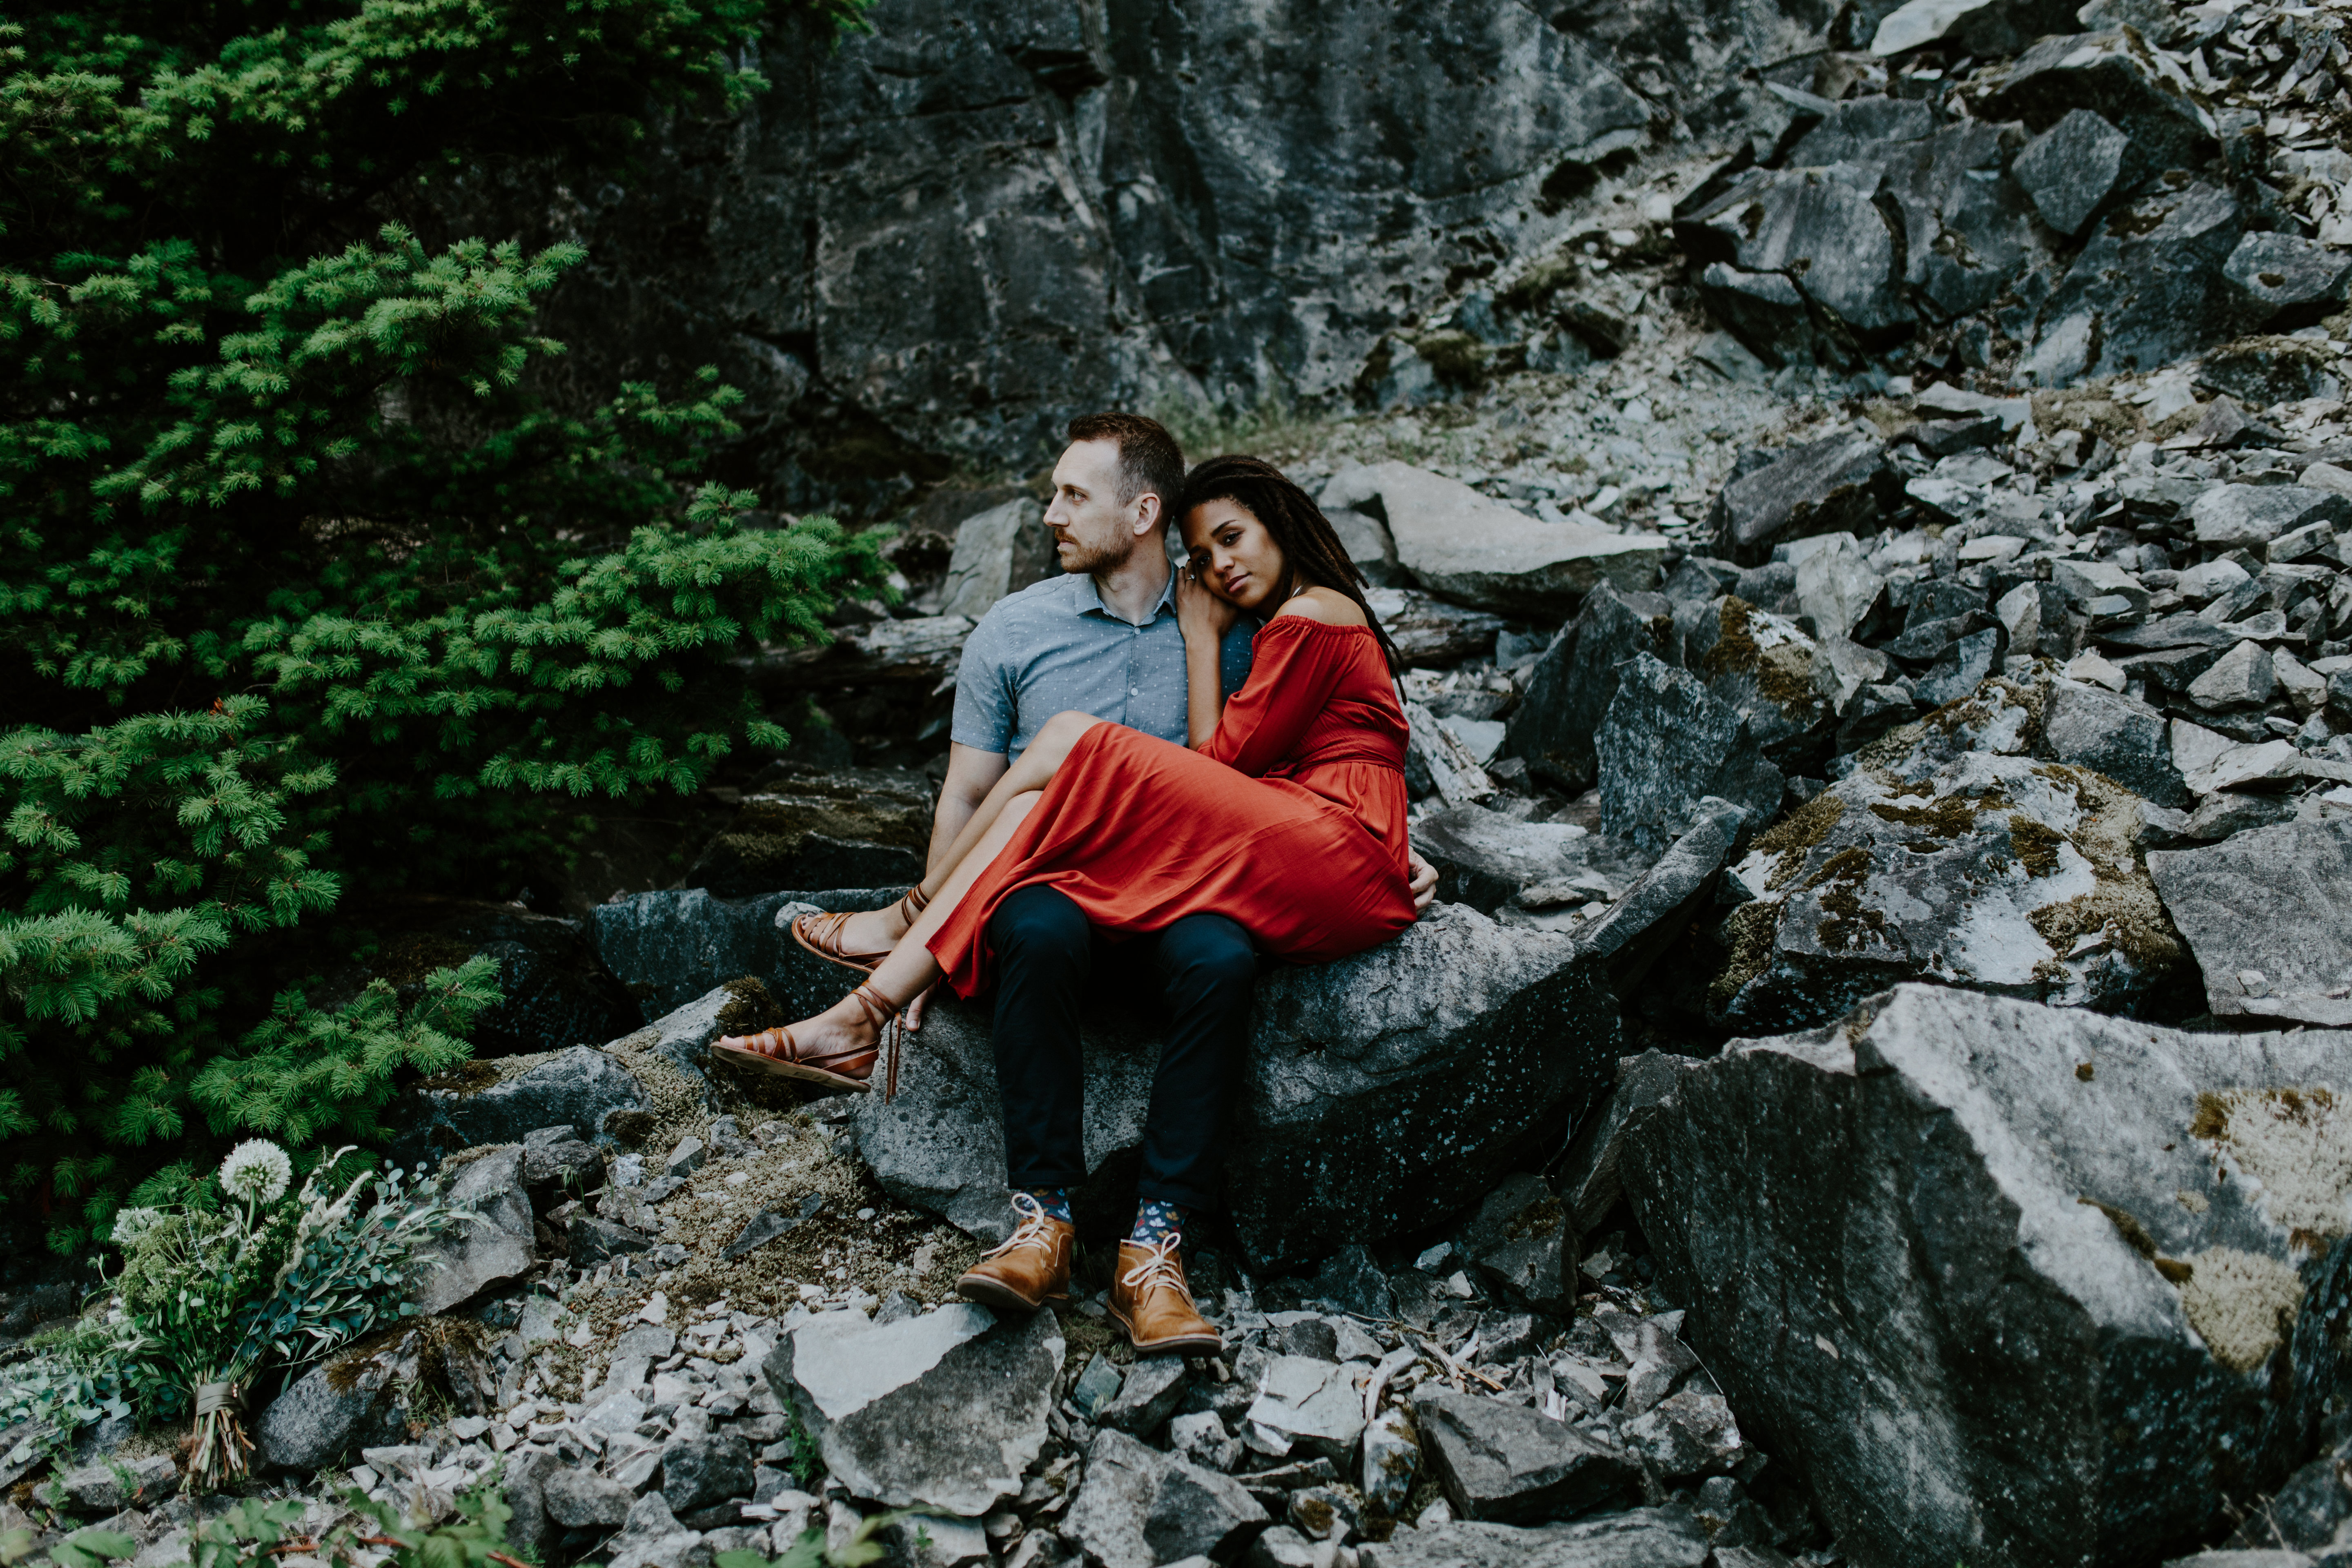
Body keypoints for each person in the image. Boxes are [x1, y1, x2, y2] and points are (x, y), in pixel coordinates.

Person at [717, 422, 1431, 1352]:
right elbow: (969, 790)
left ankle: (1154, 1252)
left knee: (1201, 930)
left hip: (1203, 881)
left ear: (1143, 513)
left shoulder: (1265, 624)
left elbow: (1291, 761)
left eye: (1070, 496)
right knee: (1039, 899)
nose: (1050, 515)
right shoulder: (1019, 627)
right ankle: (1041, 1223)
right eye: (1209, 547)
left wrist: (1400, 844)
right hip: (1065, 884)